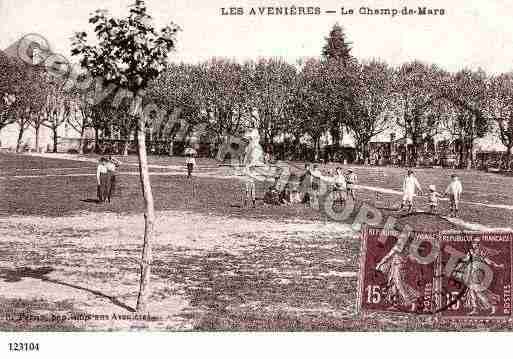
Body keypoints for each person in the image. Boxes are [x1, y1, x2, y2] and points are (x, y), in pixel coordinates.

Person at [375, 236, 420, 312]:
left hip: (399, 268)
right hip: (397, 268)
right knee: (394, 285)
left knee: (400, 285)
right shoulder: (404, 248)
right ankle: (395, 304)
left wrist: (379, 264)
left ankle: (412, 301)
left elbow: (388, 257)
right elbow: (388, 257)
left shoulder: (402, 248)